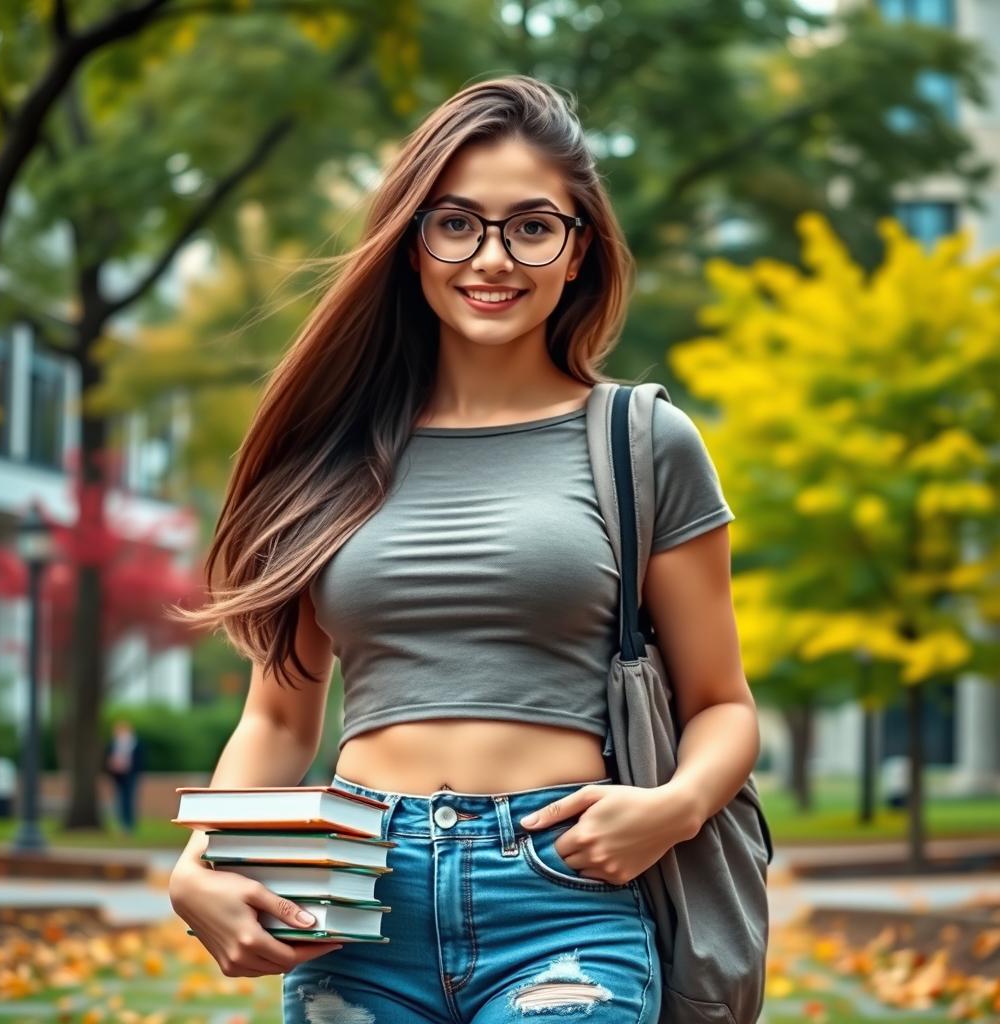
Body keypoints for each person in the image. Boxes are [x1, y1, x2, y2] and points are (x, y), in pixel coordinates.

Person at [168, 74, 759, 1024]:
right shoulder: (331, 454)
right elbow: (280, 721)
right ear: (412, 245)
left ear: (579, 253)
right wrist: (200, 864)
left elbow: (721, 704)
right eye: (456, 223)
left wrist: (674, 807)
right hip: (355, 902)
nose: (493, 257)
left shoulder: (643, 443)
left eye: (532, 226)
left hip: (564, 896)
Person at [104, 718, 144, 835]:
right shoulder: (113, 743)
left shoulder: (135, 743)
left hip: (131, 776)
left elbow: (140, 760)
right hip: (117, 776)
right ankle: (121, 824)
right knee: (118, 800)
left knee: (129, 800)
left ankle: (129, 825)